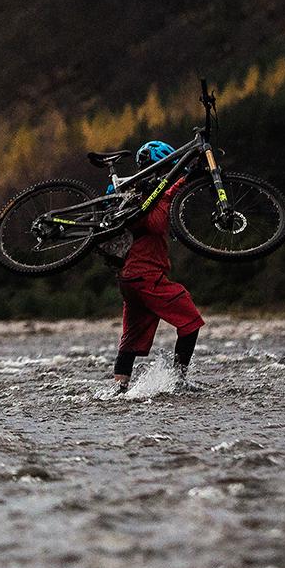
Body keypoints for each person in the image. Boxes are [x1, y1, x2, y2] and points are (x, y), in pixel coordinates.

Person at [108, 141, 204, 394]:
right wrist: (181, 183)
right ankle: (178, 381)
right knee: (191, 320)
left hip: (130, 278)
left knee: (131, 338)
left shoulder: (133, 194)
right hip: (145, 274)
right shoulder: (146, 196)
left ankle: (119, 390)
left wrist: (183, 181)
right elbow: (157, 224)